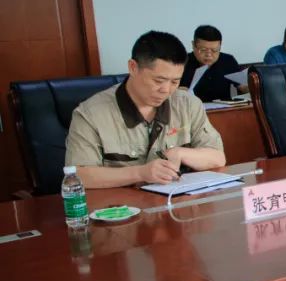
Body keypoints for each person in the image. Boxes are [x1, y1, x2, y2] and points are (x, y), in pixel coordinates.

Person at [65, 31, 226, 188]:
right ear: (133, 67)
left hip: (177, 201)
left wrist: (180, 153)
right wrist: (140, 173)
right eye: (158, 81)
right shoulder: (91, 114)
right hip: (120, 203)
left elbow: (218, 157)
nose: (166, 90)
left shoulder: (188, 104)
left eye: (175, 82)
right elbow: (80, 176)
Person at [180, 25, 242, 102]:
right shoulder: (181, 63)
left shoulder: (228, 60)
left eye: (214, 50)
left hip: (223, 108)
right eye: (203, 50)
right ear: (193, 45)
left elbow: (242, 86)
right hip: (192, 108)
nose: (209, 55)